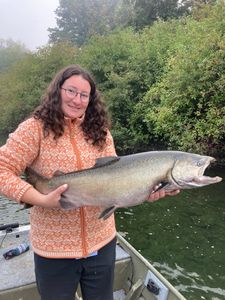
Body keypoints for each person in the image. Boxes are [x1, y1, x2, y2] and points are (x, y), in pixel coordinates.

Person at [0, 64, 179, 300]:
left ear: (91, 99)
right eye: (71, 91)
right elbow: (2, 170)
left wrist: (147, 191)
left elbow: (117, 183)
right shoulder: (33, 129)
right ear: (57, 90)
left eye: (84, 95)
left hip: (102, 243)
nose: (77, 99)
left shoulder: (101, 131)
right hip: (54, 251)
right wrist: (41, 199)